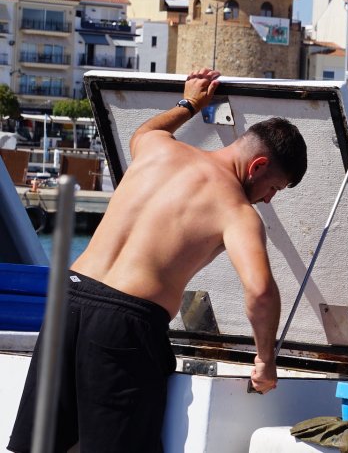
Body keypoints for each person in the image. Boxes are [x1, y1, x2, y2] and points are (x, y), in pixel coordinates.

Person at [8, 68, 308, 453]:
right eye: (274, 188)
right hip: (124, 324)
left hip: (68, 299)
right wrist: (266, 360)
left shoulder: (154, 147)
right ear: (258, 166)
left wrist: (190, 104)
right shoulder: (236, 212)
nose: (268, 199)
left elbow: (146, 130)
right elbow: (262, 291)